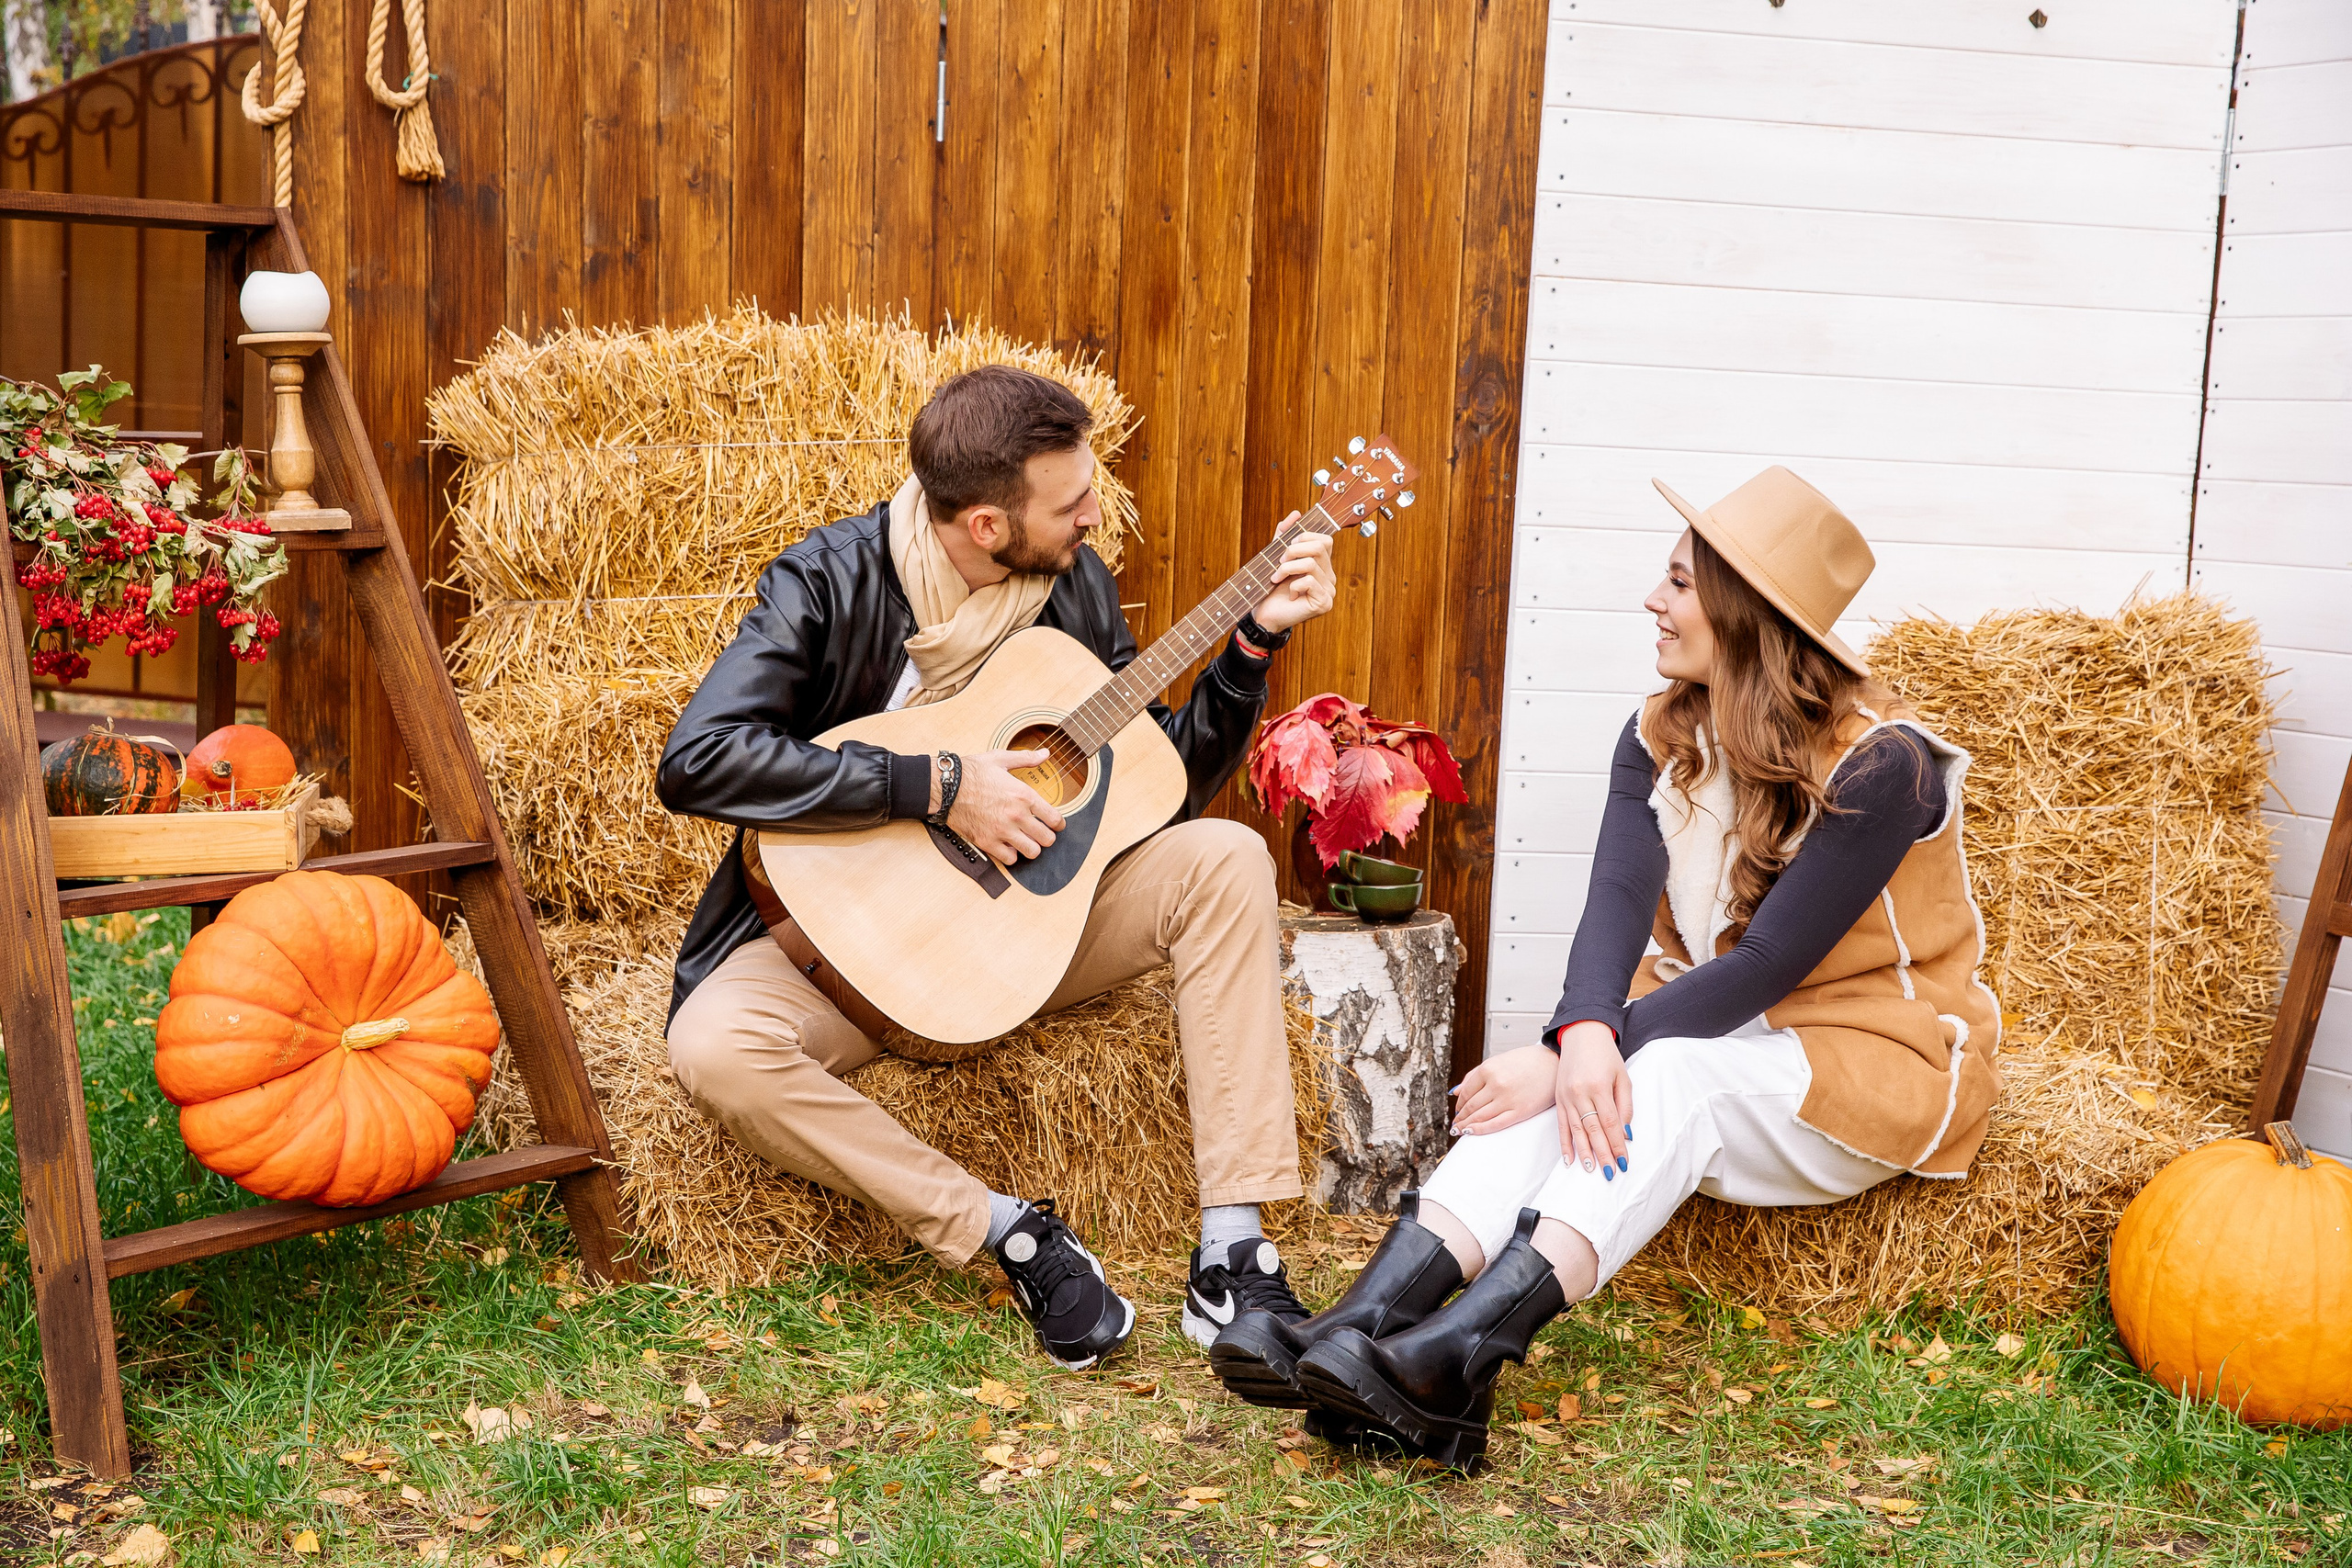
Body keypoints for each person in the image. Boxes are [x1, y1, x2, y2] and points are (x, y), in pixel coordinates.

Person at [1210, 466, 2004, 1466]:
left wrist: (1572, 1052)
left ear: (1744, 611)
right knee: (1597, 1059)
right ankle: (1355, 1327)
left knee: (1648, 1068)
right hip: (1716, 1027)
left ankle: (1460, 1359)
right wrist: (1575, 1035)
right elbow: (1615, 907)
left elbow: (1765, 965)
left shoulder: (1885, 767)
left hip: (1869, 1055)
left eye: (1678, 583)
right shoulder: (1661, 731)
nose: (1653, 601)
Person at [658, 366, 1338, 1371]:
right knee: (714, 1049)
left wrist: (1250, 644)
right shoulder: (827, 582)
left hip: (1028, 932)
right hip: (847, 947)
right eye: (1070, 505)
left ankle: (1231, 1253)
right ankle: (1006, 1230)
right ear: (984, 524)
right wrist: (938, 786)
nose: (1094, 517)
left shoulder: (1074, 584)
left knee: (1225, 855)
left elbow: (1160, 783)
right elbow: (699, 759)